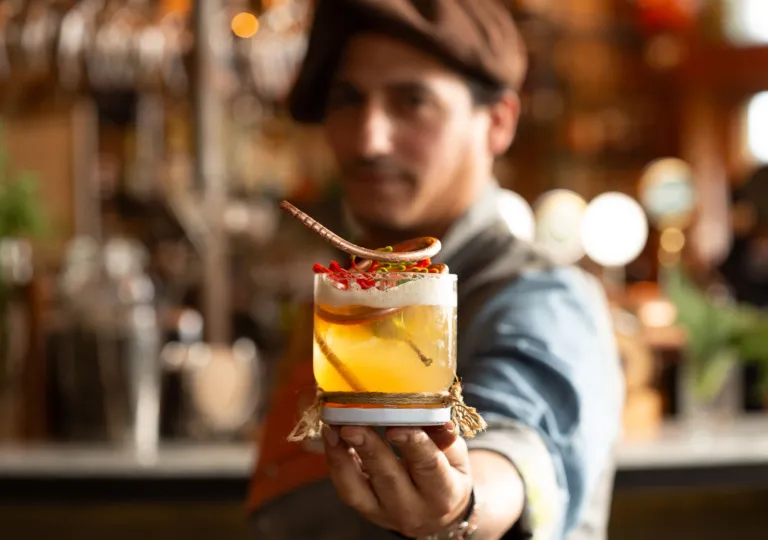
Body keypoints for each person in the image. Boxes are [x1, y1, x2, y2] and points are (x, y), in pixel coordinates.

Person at [247, 1, 624, 538]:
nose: (368, 139)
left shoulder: (540, 297)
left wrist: (462, 504)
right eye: (348, 100)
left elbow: (519, 441)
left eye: (412, 102)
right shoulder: (355, 293)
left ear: (497, 123)